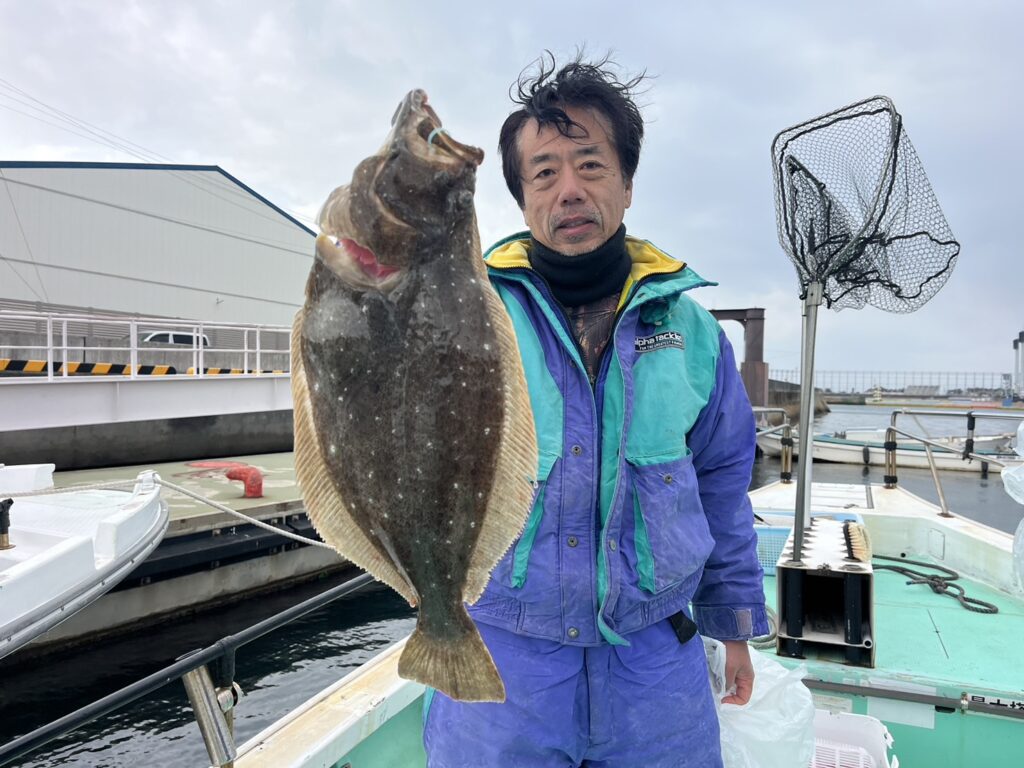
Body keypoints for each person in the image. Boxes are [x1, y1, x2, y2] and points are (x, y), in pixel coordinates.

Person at [423, 53, 768, 767]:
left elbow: (723, 486)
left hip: (656, 660)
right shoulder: (464, 316)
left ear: (628, 184)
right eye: (545, 173)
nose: (570, 190)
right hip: (502, 654)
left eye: (591, 165)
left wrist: (732, 624)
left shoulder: (695, 334)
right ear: (522, 199)